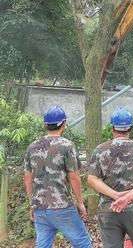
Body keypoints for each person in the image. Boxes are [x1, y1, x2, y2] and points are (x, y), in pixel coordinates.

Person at [23, 106, 92, 248]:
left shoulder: (32, 147)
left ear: (45, 124)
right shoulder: (67, 146)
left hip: (40, 207)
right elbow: (74, 177)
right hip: (62, 207)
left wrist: (32, 203)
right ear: (63, 124)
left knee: (43, 245)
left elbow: (27, 178)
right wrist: (80, 203)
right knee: (82, 242)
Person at [88, 107, 133, 248]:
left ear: (112, 127)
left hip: (108, 208)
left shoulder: (100, 150)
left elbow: (92, 179)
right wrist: (127, 198)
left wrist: (115, 195)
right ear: (130, 128)